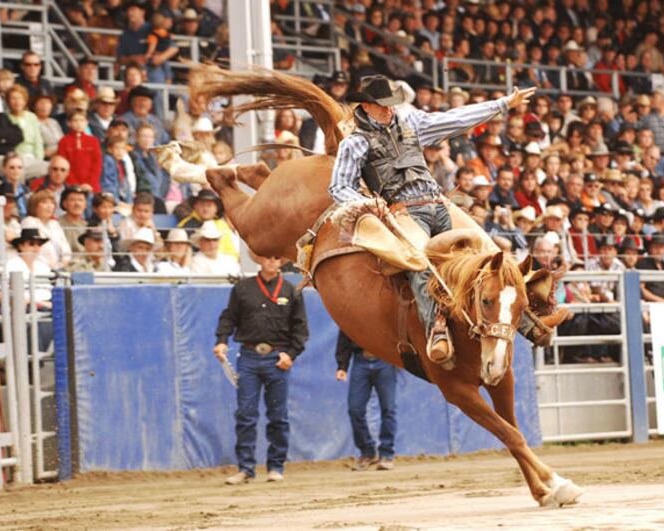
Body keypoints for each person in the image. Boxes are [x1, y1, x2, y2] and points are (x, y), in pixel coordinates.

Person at [329, 74, 535, 364]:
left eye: (391, 104)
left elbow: (455, 119)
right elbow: (339, 187)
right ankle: (436, 330)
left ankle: (521, 315)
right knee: (419, 261)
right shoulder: (354, 143)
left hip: (439, 204)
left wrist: (503, 104)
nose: (389, 110)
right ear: (366, 106)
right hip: (403, 211)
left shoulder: (411, 123)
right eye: (383, 105)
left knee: (481, 251)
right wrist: (365, 203)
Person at [214, 255, 309, 484]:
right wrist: (222, 341)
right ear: (259, 260)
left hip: (277, 357)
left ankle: (276, 466)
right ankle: (245, 467)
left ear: (281, 262)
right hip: (249, 355)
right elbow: (229, 317)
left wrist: (291, 354)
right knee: (245, 414)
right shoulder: (243, 288)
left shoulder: (291, 290)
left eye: (276, 258)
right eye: (267, 257)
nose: (271, 261)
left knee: (278, 415)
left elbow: (300, 327)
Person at [335, 329, 397, 471]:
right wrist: (342, 366)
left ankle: (386, 454)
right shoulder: (352, 316)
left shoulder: (385, 314)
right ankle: (368, 452)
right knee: (355, 409)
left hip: (385, 361)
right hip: (360, 361)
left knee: (388, 409)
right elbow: (345, 333)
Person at [57, 109, 103, 193]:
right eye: (75, 120)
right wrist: (75, 184)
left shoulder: (93, 141)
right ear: (69, 123)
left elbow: (97, 164)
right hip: (71, 185)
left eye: (82, 120)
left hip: (92, 186)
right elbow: (63, 164)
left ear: (86, 122)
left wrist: (90, 183)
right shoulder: (64, 141)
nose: (79, 124)